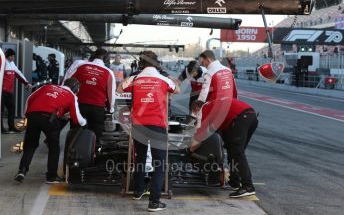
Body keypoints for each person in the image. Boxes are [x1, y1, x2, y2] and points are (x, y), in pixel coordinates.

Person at [118, 50, 180, 212]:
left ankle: (138, 191)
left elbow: (120, 88)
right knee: (159, 164)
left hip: (138, 125)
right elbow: (177, 89)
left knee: (139, 158)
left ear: (141, 64)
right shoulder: (162, 79)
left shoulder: (136, 78)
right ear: (156, 63)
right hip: (158, 125)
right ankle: (154, 202)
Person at [14, 78, 86, 183]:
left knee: (30, 144)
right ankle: (51, 176)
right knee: (54, 147)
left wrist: (27, 114)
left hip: (33, 115)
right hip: (49, 118)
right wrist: (85, 122)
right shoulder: (71, 95)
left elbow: (30, 98)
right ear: (75, 88)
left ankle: (22, 170)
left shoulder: (47, 86)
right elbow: (77, 119)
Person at [190, 98, 258, 198]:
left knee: (237, 152)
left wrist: (189, 150)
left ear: (197, 108)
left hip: (241, 117)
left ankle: (248, 186)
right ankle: (235, 182)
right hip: (250, 116)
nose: (196, 117)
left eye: (194, 114)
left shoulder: (204, 110)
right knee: (233, 150)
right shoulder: (212, 105)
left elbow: (200, 136)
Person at [63, 48, 116, 142]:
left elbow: (67, 81)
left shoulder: (80, 65)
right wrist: (110, 109)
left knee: (75, 131)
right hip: (97, 108)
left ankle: (71, 152)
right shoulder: (108, 72)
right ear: (106, 60)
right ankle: (93, 152)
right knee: (96, 134)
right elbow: (111, 93)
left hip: (79, 105)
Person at [1, 49, 31, 134]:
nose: (13, 58)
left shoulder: (12, 64)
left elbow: (19, 74)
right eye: (11, 56)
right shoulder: (3, 64)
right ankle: (1, 129)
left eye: (13, 56)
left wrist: (26, 83)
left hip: (9, 92)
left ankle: (11, 127)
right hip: (2, 92)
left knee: (12, 109)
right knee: (1, 110)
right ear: (7, 56)